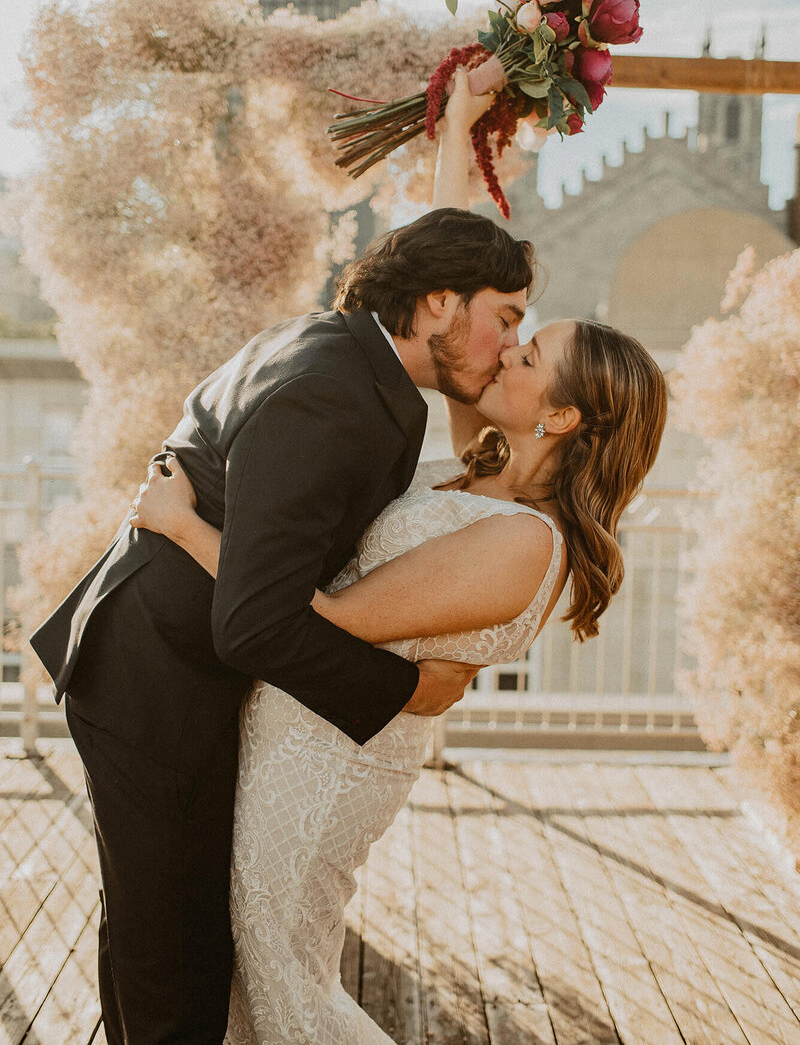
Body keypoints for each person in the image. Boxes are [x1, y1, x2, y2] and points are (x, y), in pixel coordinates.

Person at [131, 71, 668, 1044]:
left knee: (286, 974)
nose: (500, 347)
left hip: (326, 761)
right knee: (258, 981)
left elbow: (323, 609)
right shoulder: (485, 466)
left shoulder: (519, 538)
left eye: (524, 349)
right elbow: (448, 287)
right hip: (297, 725)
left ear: (557, 415)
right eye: (510, 328)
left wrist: (178, 525)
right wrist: (460, 124)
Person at [28, 69, 536, 1045]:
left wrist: (461, 132)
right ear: (436, 304)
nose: (509, 339)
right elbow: (252, 619)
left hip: (165, 653)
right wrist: (405, 687)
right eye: (504, 316)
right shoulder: (330, 395)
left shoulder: (352, 353)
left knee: (160, 918)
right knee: (171, 934)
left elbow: (256, 567)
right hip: (153, 672)